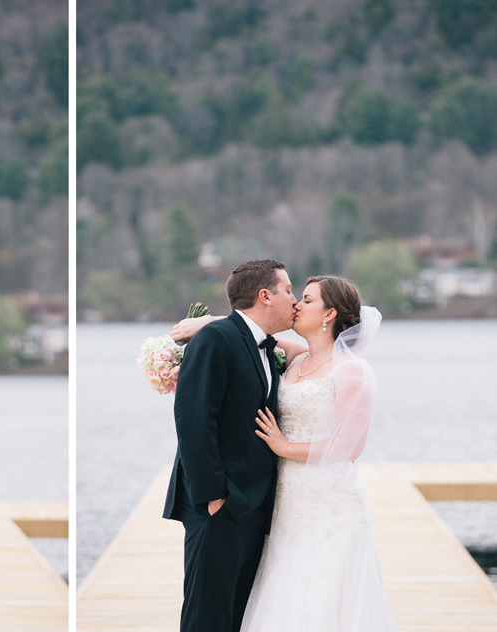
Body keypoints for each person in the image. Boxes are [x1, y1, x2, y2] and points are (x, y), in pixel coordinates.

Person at [176, 275, 398, 631]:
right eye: (297, 295)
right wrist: (208, 322)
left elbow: (351, 446)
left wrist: (284, 447)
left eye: (307, 300)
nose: (296, 304)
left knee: (324, 592)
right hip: (285, 500)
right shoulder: (294, 359)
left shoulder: (352, 371)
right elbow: (247, 330)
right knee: (283, 589)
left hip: (329, 501)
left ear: (330, 314)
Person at [163, 259, 298, 632]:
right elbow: (192, 420)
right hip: (219, 505)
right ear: (265, 296)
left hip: (252, 506)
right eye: (289, 290)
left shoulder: (266, 348)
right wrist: (212, 498)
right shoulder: (215, 339)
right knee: (207, 618)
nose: (295, 299)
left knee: (235, 616)